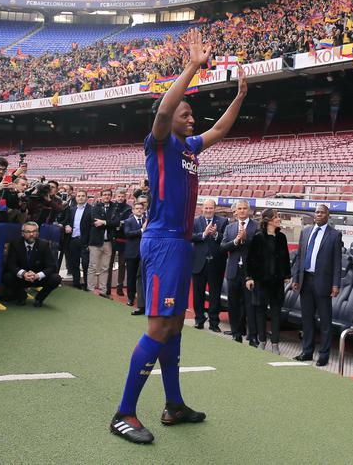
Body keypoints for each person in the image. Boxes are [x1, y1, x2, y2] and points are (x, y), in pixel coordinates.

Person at [110, 30, 247, 446]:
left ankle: (174, 404)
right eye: (186, 114)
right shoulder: (160, 144)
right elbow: (166, 110)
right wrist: (192, 67)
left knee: (174, 327)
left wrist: (240, 96)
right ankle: (124, 412)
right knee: (158, 327)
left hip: (180, 245)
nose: (192, 119)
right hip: (164, 242)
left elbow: (220, 131)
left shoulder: (188, 149)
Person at [290, 204, 343, 367]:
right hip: (305, 280)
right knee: (307, 320)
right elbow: (299, 257)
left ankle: (324, 355)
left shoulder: (334, 235)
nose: (318, 214)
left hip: (323, 283)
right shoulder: (306, 232)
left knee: (325, 322)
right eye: (316, 212)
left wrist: (335, 284)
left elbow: (337, 262)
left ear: (328, 215)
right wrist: (295, 278)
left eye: (322, 212)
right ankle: (307, 352)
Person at [246, 207, 289, 354]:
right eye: (277, 216)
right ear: (269, 220)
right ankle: (262, 341)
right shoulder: (258, 237)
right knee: (260, 312)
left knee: (276, 313)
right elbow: (250, 260)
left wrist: (286, 275)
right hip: (261, 282)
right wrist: (250, 277)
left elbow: (285, 259)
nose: (279, 219)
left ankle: (275, 344)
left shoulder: (282, 237)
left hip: (277, 283)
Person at [221, 200, 258, 344]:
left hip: (250, 273)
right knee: (233, 304)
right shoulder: (230, 228)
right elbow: (223, 247)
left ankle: (253, 336)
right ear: (235, 211)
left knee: (250, 304)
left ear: (249, 211)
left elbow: (259, 248)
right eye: (239, 209)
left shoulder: (256, 227)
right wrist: (236, 241)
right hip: (233, 271)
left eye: (245, 208)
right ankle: (236, 333)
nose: (242, 211)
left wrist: (245, 239)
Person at [1, 222, 62, 307]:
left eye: (34, 231)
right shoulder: (15, 244)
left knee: (56, 278)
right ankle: (21, 296)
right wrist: (24, 273)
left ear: (38, 233)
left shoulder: (44, 244)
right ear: (22, 233)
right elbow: (11, 264)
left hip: (37, 278)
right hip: (22, 278)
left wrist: (38, 275)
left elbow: (52, 266)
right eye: (28, 232)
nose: (31, 234)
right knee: (7, 277)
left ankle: (39, 299)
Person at [190, 199, 228, 331]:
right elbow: (189, 236)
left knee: (214, 295)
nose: (208, 210)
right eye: (206, 208)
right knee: (198, 294)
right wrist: (204, 234)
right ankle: (199, 319)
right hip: (198, 263)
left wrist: (216, 234)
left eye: (210, 208)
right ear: (202, 208)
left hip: (216, 264)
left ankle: (214, 323)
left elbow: (226, 239)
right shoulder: (195, 221)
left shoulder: (223, 221)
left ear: (215, 209)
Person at [63, 190, 95, 290]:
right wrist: (67, 225)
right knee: (74, 263)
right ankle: (76, 283)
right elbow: (66, 221)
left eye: (83, 196)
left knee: (86, 264)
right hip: (73, 240)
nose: (80, 198)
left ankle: (86, 284)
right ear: (75, 198)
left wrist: (90, 243)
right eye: (78, 196)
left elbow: (93, 227)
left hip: (85, 241)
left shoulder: (92, 210)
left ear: (86, 198)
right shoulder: (71, 209)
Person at [88, 189, 116, 297]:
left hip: (108, 242)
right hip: (95, 242)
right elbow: (95, 222)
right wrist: (110, 222)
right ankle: (90, 290)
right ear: (101, 196)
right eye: (104, 195)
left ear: (111, 196)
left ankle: (103, 291)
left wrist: (104, 222)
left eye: (109, 195)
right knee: (93, 267)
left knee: (105, 267)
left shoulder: (115, 207)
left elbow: (116, 222)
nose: (107, 196)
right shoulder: (95, 207)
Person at [104, 189, 131, 297]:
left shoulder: (128, 208)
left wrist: (116, 223)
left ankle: (120, 287)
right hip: (112, 239)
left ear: (125, 197)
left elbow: (124, 223)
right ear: (116, 196)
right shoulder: (112, 207)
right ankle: (107, 286)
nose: (120, 198)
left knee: (121, 264)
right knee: (109, 264)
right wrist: (116, 223)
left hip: (123, 240)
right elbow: (113, 222)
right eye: (119, 196)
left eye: (122, 196)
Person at [123, 198, 147, 313]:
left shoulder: (147, 220)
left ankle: (142, 300)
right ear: (133, 210)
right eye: (136, 208)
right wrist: (141, 231)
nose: (139, 210)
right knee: (131, 277)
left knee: (142, 277)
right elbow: (127, 234)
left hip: (144, 253)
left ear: (143, 210)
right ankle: (131, 298)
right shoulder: (128, 221)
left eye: (141, 209)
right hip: (132, 253)